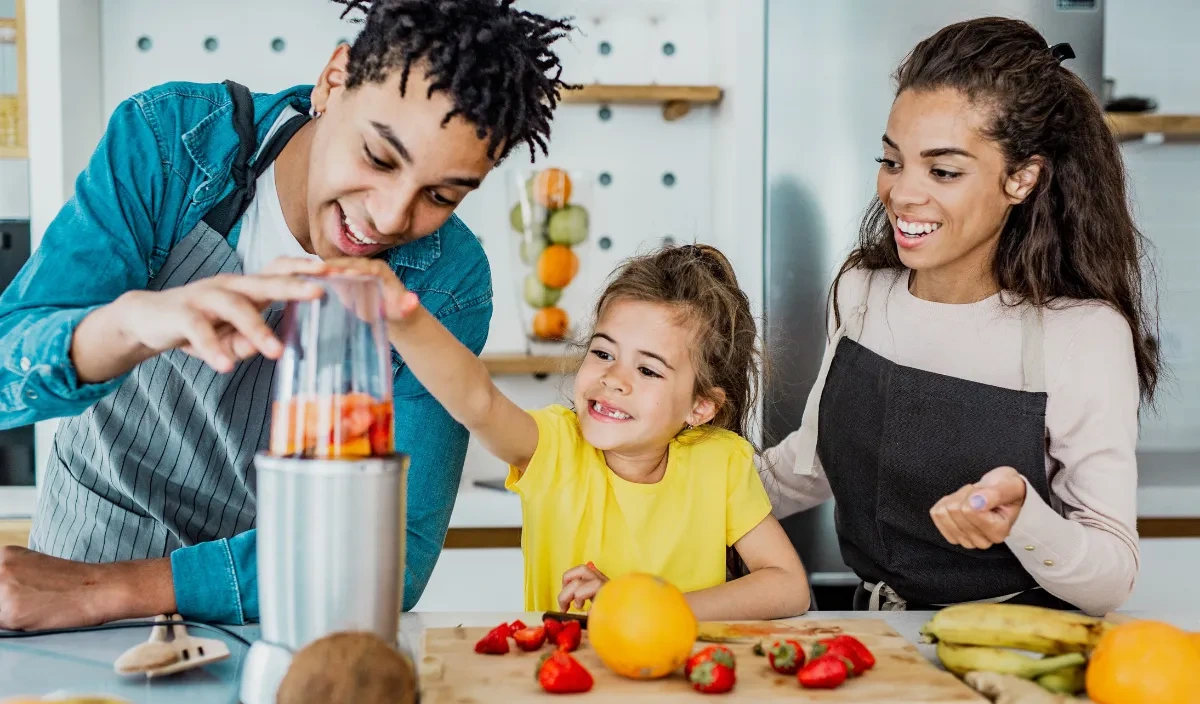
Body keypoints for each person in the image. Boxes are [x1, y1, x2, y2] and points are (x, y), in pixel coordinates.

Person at [0, 0, 575, 630]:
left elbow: (393, 555)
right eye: (379, 158)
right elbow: (9, 372)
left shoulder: (447, 283)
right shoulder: (172, 145)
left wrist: (107, 590)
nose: (388, 217)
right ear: (334, 81)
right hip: (64, 589)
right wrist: (133, 322)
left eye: (439, 196)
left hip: (271, 610)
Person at [759, 17, 1157, 617]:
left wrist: (1025, 517)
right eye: (892, 161)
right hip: (878, 637)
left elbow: (1111, 577)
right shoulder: (862, 291)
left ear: (1021, 178)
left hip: (1008, 647)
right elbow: (806, 467)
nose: (902, 193)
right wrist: (661, 477)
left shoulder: (1082, 334)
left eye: (943, 171)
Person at [289, 244, 812, 620]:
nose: (612, 379)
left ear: (700, 407)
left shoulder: (721, 461)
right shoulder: (556, 448)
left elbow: (788, 587)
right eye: (603, 353)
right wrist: (400, 316)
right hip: (570, 688)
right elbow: (478, 400)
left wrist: (651, 605)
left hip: (685, 689)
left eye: (648, 370)